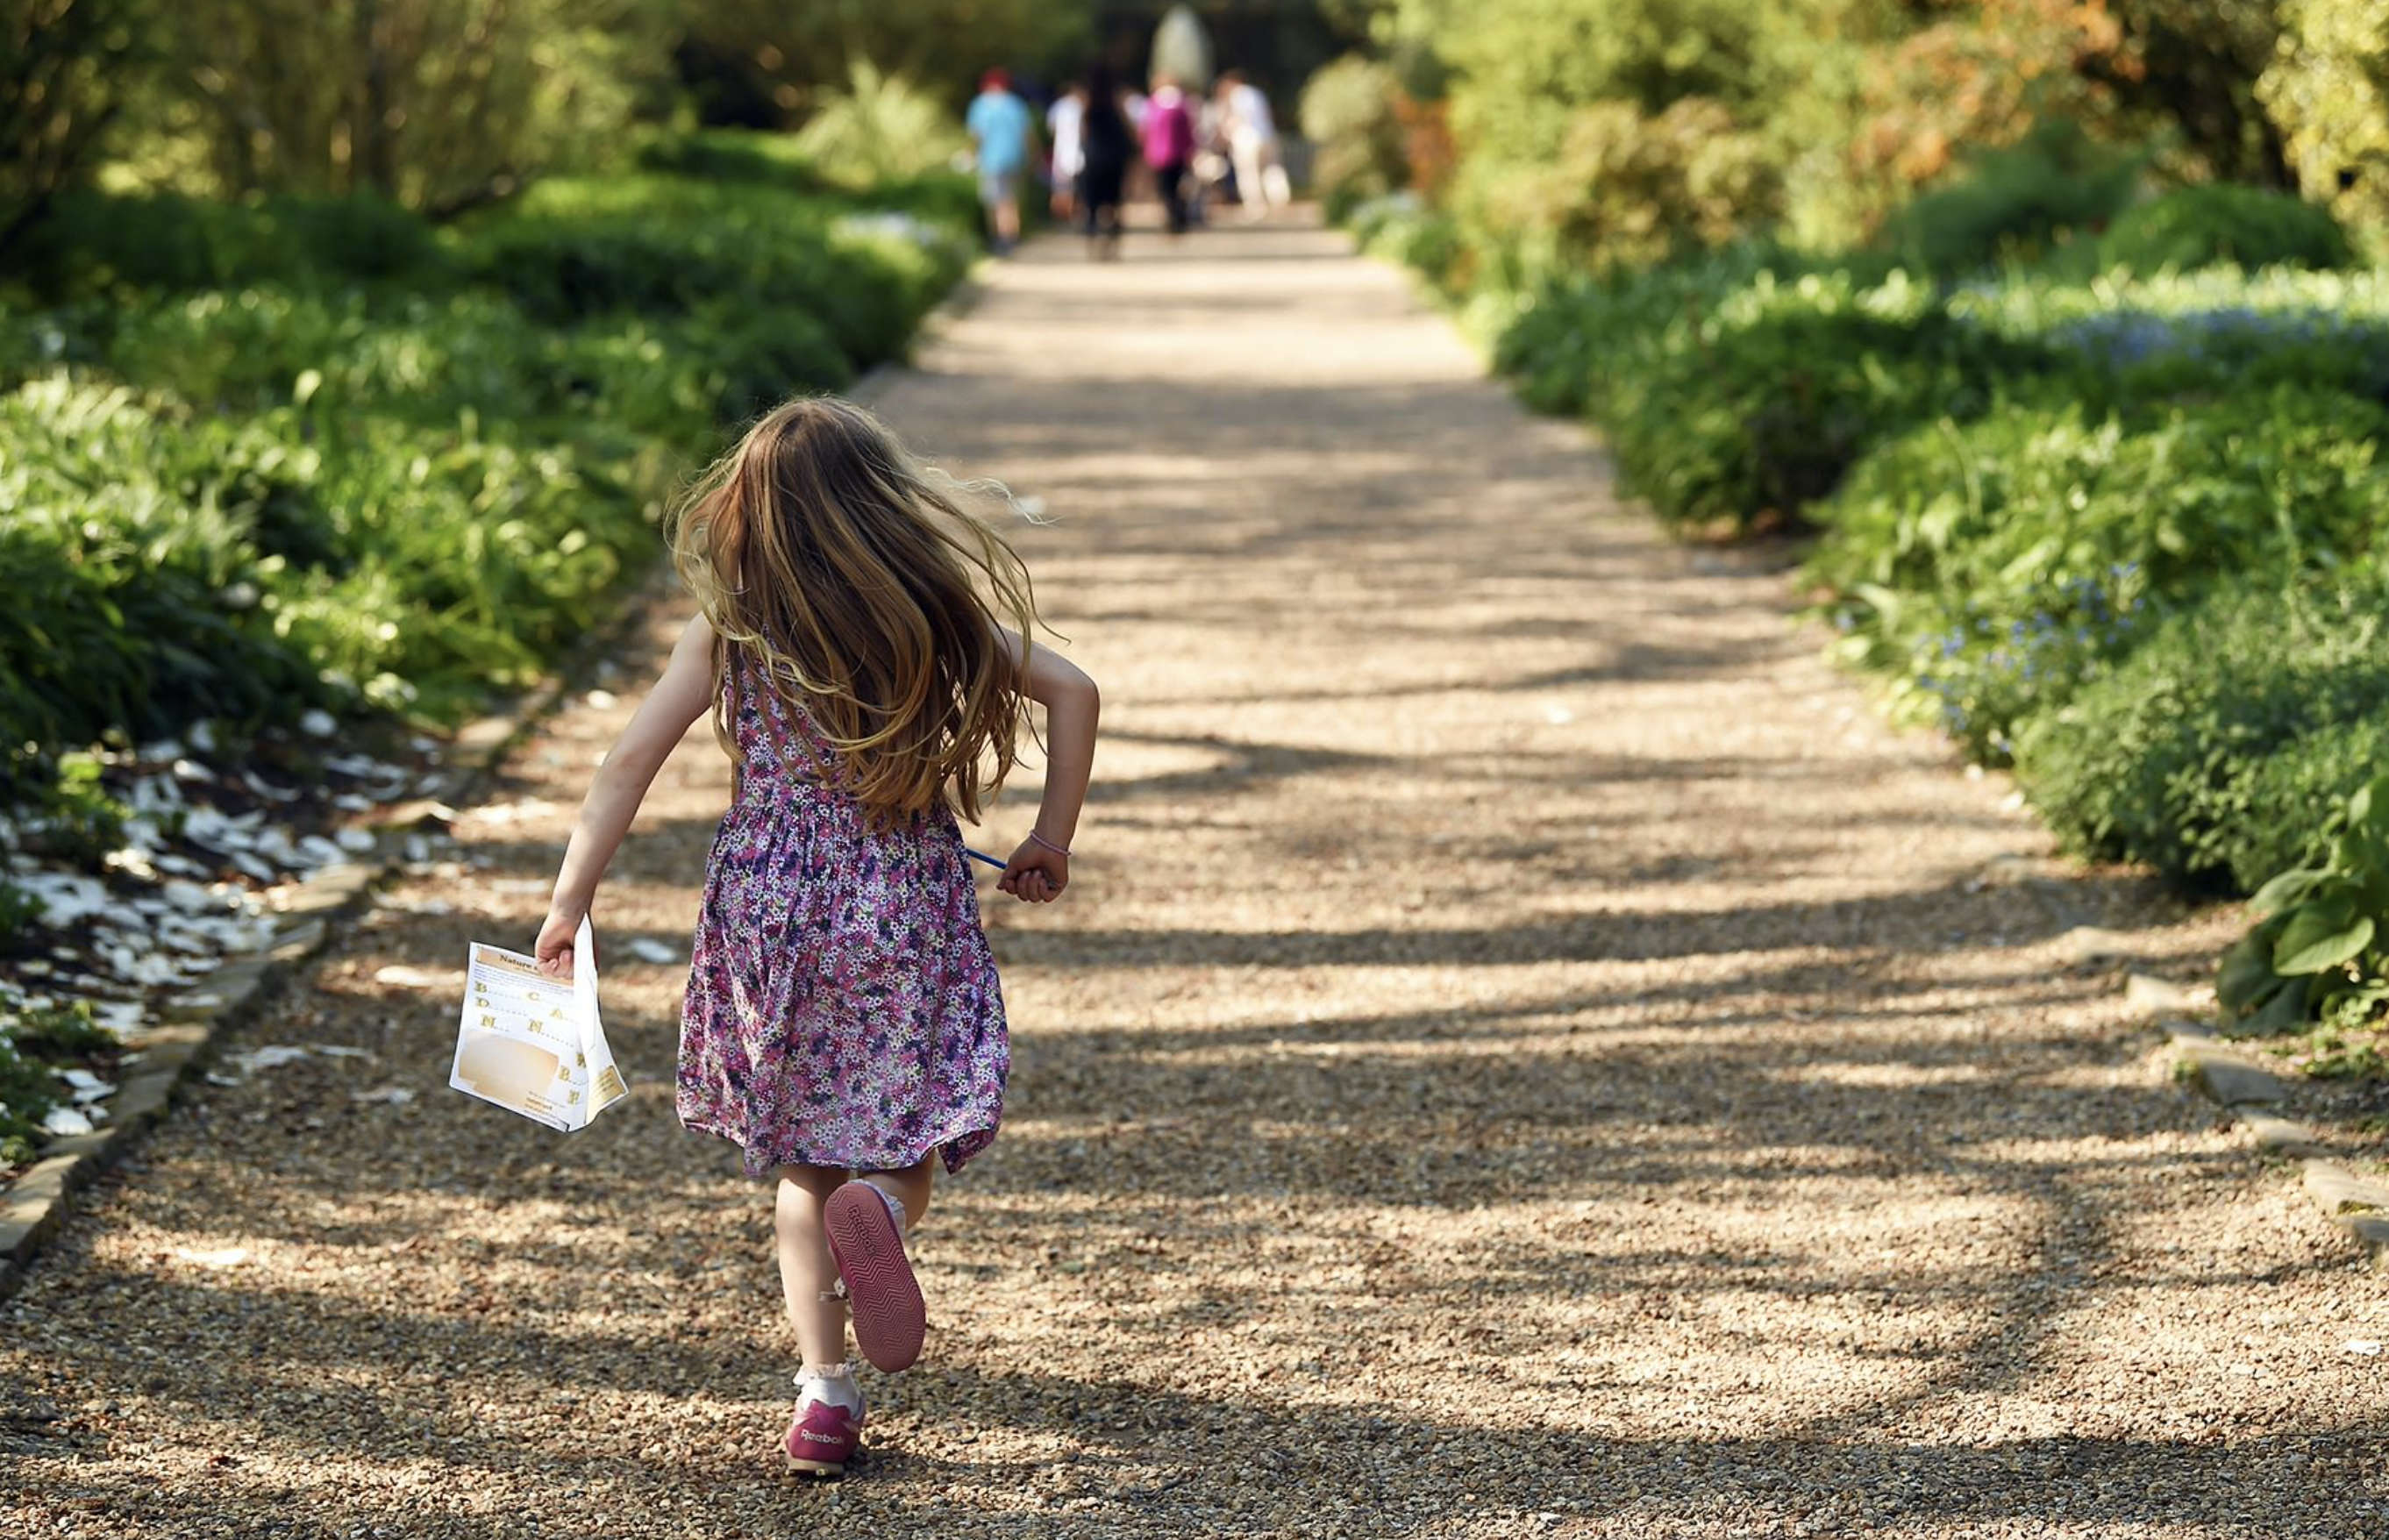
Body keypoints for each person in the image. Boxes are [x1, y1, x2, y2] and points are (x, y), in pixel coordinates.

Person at [533, 396, 1102, 1479]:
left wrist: (571, 902)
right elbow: (1073, 689)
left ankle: (823, 1401)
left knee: (803, 1162)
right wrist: (1049, 838)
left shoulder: (734, 628)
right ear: (878, 502)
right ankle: (883, 1206)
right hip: (902, 900)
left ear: (748, 513)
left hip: (771, 915)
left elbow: (626, 765)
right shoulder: (922, 608)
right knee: (902, 1132)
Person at [966, 68, 1034, 254]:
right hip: (1014, 159)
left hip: (991, 160)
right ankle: (1011, 238)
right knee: (1010, 200)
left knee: (994, 201)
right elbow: (1027, 135)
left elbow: (976, 135)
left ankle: (998, 239)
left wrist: (971, 155)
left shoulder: (980, 105)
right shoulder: (1016, 105)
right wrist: (1031, 158)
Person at [1075, 65, 1133, 259]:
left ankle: (1092, 240)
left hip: (1093, 159)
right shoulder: (1117, 101)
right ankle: (1111, 242)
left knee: (1091, 203)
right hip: (1113, 160)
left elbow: (1083, 133)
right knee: (1113, 204)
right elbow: (1127, 131)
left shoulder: (1087, 103)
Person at [1218, 69, 1289, 220]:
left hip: (1247, 138)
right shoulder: (1257, 93)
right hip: (1267, 135)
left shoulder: (1236, 96)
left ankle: (1255, 205)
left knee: (1249, 173)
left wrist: (1226, 133)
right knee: (1272, 168)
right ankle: (1279, 196)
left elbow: (1235, 119)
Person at [1141, 73, 1197, 237]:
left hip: (1159, 155)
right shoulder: (1181, 104)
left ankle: (1173, 217)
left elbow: (1146, 131)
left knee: (1166, 189)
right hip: (1179, 153)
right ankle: (1178, 217)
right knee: (1178, 188)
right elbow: (1188, 131)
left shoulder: (1153, 104)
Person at [1046, 80, 1086, 222]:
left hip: (1062, 151)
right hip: (1077, 151)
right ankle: (1072, 213)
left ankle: (1061, 215)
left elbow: (1051, 128)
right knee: (1078, 185)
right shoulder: (1082, 106)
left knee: (1061, 186)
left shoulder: (1058, 106)